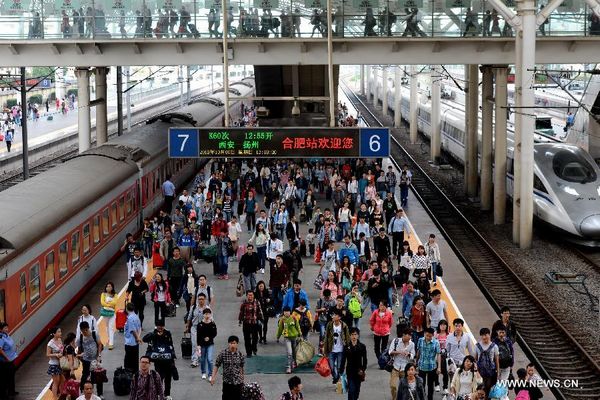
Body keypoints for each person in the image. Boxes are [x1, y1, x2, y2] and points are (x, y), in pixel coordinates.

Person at [142, 321, 175, 399]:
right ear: (156, 326)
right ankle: (158, 393)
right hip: (158, 360)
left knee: (168, 377)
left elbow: (171, 345)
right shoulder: (153, 333)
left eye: (162, 326)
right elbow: (144, 339)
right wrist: (154, 334)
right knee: (159, 377)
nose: (160, 328)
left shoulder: (167, 333)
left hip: (167, 360)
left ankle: (167, 394)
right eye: (159, 326)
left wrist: (172, 358)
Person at [340, 327, 368, 400]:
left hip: (359, 371)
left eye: (355, 334)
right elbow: (343, 359)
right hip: (350, 371)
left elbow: (365, 360)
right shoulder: (346, 347)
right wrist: (341, 370)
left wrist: (363, 369)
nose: (354, 336)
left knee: (357, 390)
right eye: (352, 335)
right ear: (350, 336)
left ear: (358, 335)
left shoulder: (362, 346)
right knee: (351, 389)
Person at [77, 321, 104, 396]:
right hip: (86, 360)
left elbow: (99, 344)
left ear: (88, 328)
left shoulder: (95, 334)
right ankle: (83, 392)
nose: (85, 332)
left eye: (86, 330)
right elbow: (79, 348)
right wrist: (79, 357)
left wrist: (99, 355)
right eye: (83, 331)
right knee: (85, 376)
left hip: (95, 360)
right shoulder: (81, 337)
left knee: (98, 376)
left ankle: (100, 394)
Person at [324, 310, 350, 383]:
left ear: (339, 317)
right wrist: (325, 350)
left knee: (339, 367)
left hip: (340, 350)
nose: (333, 316)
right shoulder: (329, 325)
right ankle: (335, 377)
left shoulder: (344, 326)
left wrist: (348, 346)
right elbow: (326, 337)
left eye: (335, 315)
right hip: (331, 349)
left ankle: (337, 380)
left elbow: (347, 337)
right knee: (331, 367)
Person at [416, 327, 441, 400]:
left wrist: (439, 367)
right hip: (421, 366)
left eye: (430, 336)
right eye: (426, 335)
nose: (428, 337)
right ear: (424, 334)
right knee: (421, 384)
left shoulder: (436, 342)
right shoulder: (420, 340)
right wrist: (416, 362)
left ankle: (430, 398)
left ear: (433, 335)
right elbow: (418, 351)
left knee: (430, 385)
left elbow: (438, 354)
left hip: (432, 367)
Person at [389, 329, 415, 399]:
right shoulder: (396, 341)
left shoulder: (412, 344)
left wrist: (409, 354)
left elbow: (413, 355)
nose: (410, 337)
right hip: (395, 367)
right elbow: (390, 352)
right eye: (408, 335)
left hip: (405, 369)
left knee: (404, 387)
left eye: (411, 335)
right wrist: (399, 352)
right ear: (404, 335)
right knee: (393, 386)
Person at [276, 307, 302, 374]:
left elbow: (297, 326)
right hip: (287, 338)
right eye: (285, 311)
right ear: (283, 312)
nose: (286, 313)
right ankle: (288, 367)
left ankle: (294, 362)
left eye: (288, 311)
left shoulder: (294, 318)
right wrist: (278, 337)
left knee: (294, 352)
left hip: (294, 337)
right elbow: (280, 329)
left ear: (290, 312)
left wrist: (300, 334)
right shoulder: (282, 320)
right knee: (289, 353)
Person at [238, 290, 263, 358]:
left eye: (251, 295)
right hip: (246, 323)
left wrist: (261, 319)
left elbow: (260, 311)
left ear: (253, 295)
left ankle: (254, 349)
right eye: (249, 295)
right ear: (246, 296)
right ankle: (248, 353)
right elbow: (241, 313)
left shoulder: (257, 303)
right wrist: (240, 321)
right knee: (247, 339)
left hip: (254, 323)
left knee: (255, 338)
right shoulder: (244, 304)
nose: (250, 296)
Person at [475, 327, 499, 395]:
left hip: (490, 372)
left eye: (485, 335)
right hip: (480, 372)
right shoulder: (477, 346)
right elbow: (475, 359)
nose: (484, 337)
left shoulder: (494, 346)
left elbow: (496, 360)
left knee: (488, 388)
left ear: (489, 335)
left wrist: (498, 372)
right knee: (479, 387)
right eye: (482, 335)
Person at [198, 308, 217, 380]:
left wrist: (209, 337)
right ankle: (203, 372)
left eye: (208, 314)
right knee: (202, 359)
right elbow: (198, 335)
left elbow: (214, 333)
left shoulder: (212, 324)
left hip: (210, 344)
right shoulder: (200, 325)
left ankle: (210, 374)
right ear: (203, 315)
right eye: (206, 314)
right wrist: (198, 344)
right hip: (202, 344)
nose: (207, 315)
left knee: (210, 359)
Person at [0, 322, 18, 399]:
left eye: (7, 327)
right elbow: (0, 350)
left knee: (11, 375)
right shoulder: (1, 338)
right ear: (1, 330)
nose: (7, 329)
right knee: (5, 378)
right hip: (6, 361)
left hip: (11, 359)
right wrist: (7, 358)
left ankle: (12, 391)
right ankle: (4, 395)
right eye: (5, 328)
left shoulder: (7, 335)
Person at [124, 302, 143, 373]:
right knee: (135, 360)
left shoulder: (130, 318)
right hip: (135, 343)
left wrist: (137, 338)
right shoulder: (136, 316)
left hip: (130, 342)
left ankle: (129, 376)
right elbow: (139, 328)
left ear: (127, 309)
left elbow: (133, 330)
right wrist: (138, 337)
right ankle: (135, 374)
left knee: (128, 362)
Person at [46, 327, 65, 399]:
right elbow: (47, 354)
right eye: (59, 332)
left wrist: (61, 353)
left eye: (60, 331)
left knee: (63, 380)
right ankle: (55, 397)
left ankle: (61, 394)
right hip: (54, 364)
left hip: (59, 363)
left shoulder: (59, 340)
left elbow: (61, 349)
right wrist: (56, 355)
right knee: (56, 382)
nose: (60, 333)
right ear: (54, 334)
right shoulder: (50, 343)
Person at [100, 282, 118, 350]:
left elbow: (115, 302)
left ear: (112, 287)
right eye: (107, 286)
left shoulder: (115, 295)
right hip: (105, 313)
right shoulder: (103, 294)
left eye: (110, 286)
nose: (108, 287)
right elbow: (102, 303)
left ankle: (111, 343)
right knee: (107, 327)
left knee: (111, 327)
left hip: (112, 313)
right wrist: (109, 304)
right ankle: (109, 338)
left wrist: (107, 303)